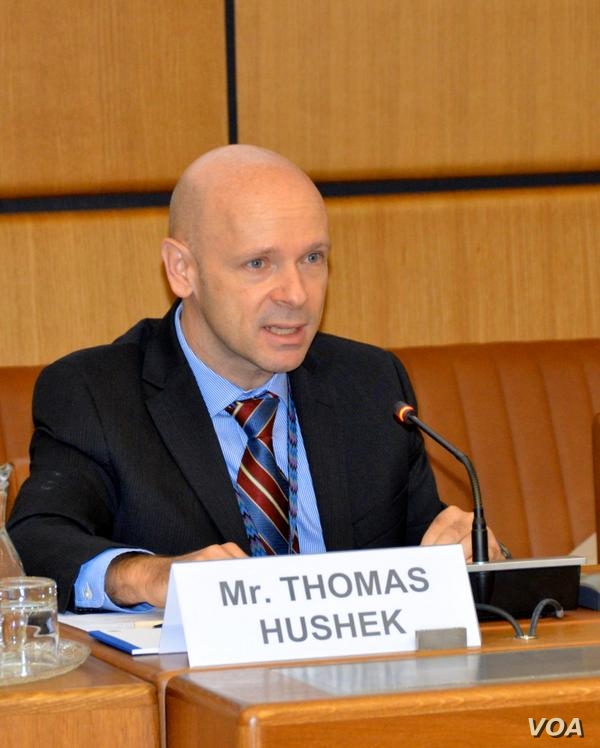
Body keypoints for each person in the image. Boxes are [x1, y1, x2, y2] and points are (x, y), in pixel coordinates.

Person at [8, 145, 501, 612]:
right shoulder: (96, 393)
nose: (296, 294)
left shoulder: (369, 385)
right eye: (258, 263)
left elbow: (428, 546)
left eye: (312, 258)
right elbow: (37, 543)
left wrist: (469, 553)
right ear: (182, 270)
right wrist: (148, 576)